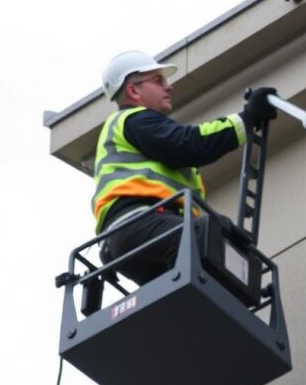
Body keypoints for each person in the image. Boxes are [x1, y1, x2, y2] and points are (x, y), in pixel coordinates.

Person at [92, 50, 278, 286]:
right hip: (142, 223)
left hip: (135, 236)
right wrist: (247, 119)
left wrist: (222, 227)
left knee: (211, 265)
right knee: (210, 245)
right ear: (133, 90)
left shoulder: (136, 131)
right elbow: (191, 144)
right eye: (158, 80)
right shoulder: (135, 120)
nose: (168, 87)